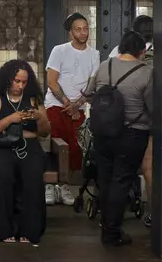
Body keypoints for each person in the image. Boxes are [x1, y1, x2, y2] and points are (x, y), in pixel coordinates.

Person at [84, 31, 153, 246]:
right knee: (121, 180)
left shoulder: (105, 65)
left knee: (105, 179)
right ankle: (112, 234)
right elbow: (153, 106)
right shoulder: (147, 72)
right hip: (132, 133)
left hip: (103, 132)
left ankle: (107, 228)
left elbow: (88, 92)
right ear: (142, 51)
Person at [0, 60, 51, 245]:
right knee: (2, 175)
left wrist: (40, 116)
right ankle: (2, 229)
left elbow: (44, 131)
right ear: (7, 80)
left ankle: (30, 230)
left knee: (32, 177)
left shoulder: (34, 99)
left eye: (24, 82)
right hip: (3, 146)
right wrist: (10, 120)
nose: (20, 86)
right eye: (16, 81)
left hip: (29, 145)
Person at [44, 13, 100, 206]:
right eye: (78, 29)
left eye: (86, 28)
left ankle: (64, 185)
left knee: (75, 149)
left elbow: (93, 85)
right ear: (70, 32)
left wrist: (77, 105)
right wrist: (68, 104)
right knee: (53, 146)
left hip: (78, 109)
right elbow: (51, 81)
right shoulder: (59, 51)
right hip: (55, 106)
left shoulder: (94, 54)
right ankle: (50, 185)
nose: (83, 32)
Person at [107, 15, 154, 227]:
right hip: (145, 122)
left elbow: (94, 90)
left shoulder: (112, 57)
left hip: (114, 124)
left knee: (119, 172)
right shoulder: (159, 55)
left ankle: (111, 220)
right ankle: (154, 211)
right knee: (148, 167)